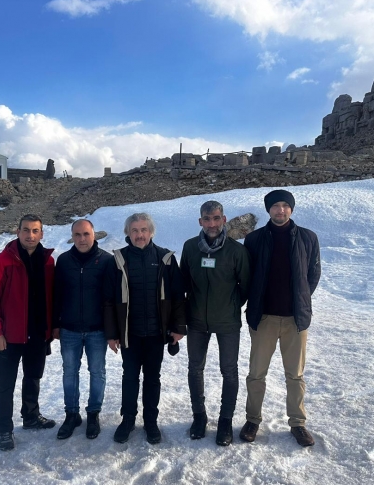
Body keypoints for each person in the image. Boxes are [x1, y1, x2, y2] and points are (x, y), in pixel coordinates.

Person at [240, 190, 321, 447]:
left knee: (295, 375)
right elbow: (247, 275)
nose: (281, 210)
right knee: (256, 374)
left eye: (286, 205)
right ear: (268, 210)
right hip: (263, 318)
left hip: (295, 319)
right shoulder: (253, 239)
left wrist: (301, 299)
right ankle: (252, 419)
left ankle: (298, 423)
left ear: (292, 209)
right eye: (276, 206)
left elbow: (313, 274)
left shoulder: (308, 238)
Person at [104, 213, 187, 444]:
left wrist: (177, 328)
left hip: (155, 334)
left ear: (151, 232)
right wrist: (112, 334)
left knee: (152, 378)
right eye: (135, 230)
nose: (139, 235)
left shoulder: (165, 259)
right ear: (128, 233)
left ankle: (151, 421)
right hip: (130, 334)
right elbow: (109, 300)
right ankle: (128, 419)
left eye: (143, 230)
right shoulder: (118, 260)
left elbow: (178, 296)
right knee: (129, 377)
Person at [0, 214, 57, 451]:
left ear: (42, 234)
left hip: (37, 334)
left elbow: (51, 298)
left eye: (35, 231)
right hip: (9, 337)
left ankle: (31, 416)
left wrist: (51, 328)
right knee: (5, 385)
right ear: (18, 232)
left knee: (33, 377)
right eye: (26, 230)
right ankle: (4, 428)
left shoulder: (48, 262)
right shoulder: (1, 261)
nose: (30, 235)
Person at [180, 201, 251, 446]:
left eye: (216, 218)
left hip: (227, 322)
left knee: (229, 372)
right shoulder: (190, 247)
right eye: (207, 219)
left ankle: (225, 420)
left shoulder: (236, 251)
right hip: (197, 320)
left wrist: (230, 306)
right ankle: (199, 416)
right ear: (200, 221)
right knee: (195, 368)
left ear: (224, 219)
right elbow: (184, 283)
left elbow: (245, 287)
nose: (212, 224)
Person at [53, 219, 113, 440]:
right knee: (70, 372)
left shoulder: (106, 260)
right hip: (69, 329)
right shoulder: (64, 261)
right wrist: (55, 324)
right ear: (72, 236)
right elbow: (56, 295)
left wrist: (112, 330)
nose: (82, 239)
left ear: (93, 235)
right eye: (77, 235)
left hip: (97, 330)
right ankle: (71, 414)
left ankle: (93, 414)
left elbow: (111, 298)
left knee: (97, 372)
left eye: (86, 234)